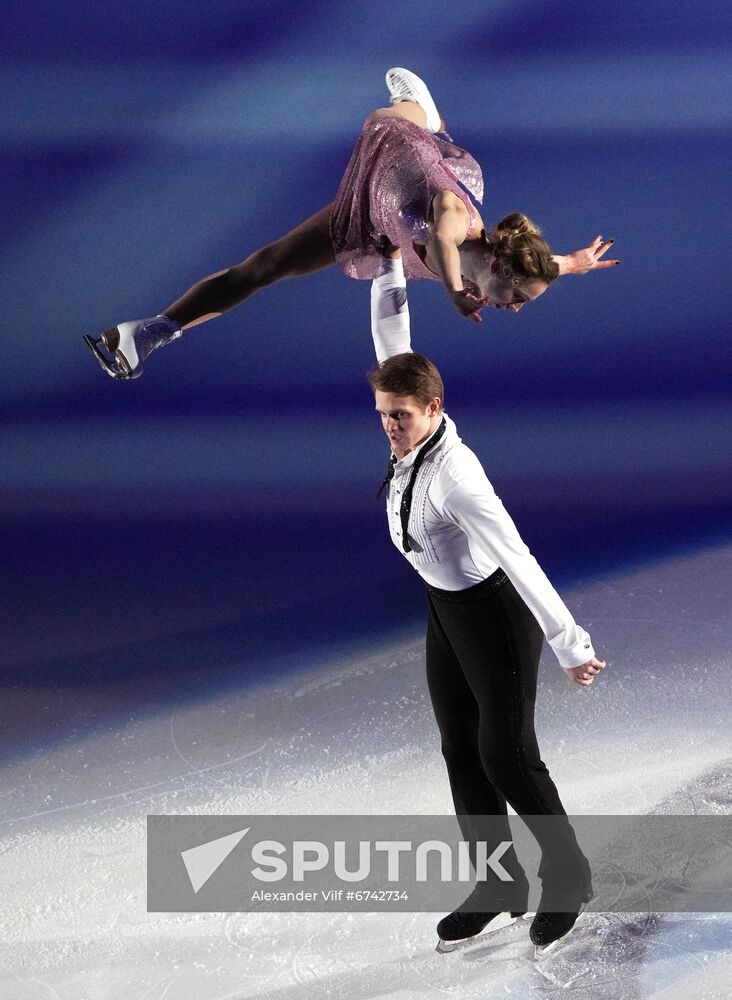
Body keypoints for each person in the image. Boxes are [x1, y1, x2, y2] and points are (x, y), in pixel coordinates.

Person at [83, 67, 619, 380]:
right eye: (518, 294)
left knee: (267, 266)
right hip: (406, 166)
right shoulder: (460, 222)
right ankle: (427, 116)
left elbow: (539, 264)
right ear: (497, 261)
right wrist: (454, 289)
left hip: (380, 220)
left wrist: (572, 263)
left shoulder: (506, 267)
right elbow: (445, 230)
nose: (516, 308)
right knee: (387, 123)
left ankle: (148, 332)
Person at [367, 289, 606, 954]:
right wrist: (386, 264)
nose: (390, 426)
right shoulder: (409, 414)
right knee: (460, 748)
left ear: (434, 409)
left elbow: (516, 555)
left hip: (495, 615)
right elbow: (393, 337)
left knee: (506, 753)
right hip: (446, 611)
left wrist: (569, 642)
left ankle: (568, 875)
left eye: (402, 417)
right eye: (385, 414)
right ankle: (498, 884)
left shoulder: (457, 477)